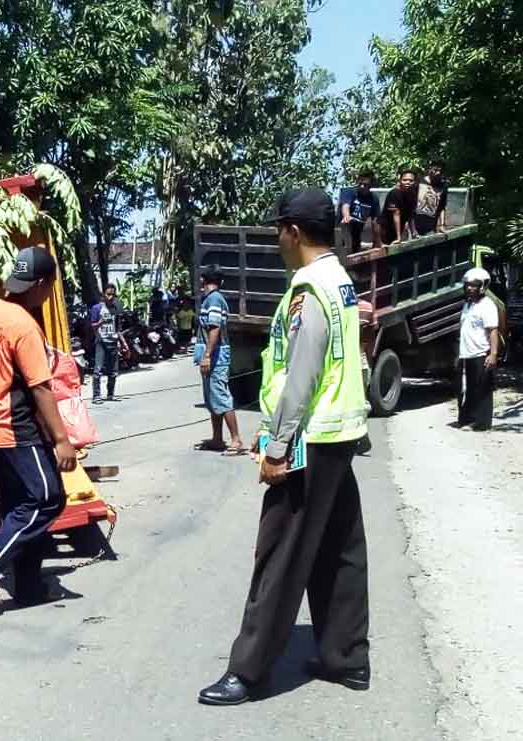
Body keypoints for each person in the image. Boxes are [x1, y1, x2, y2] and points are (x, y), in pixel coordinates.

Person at [199, 189, 371, 706]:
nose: (276, 238)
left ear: (294, 232)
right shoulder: (339, 281)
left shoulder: (308, 290)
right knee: (340, 549)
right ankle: (346, 657)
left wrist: (276, 443)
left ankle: (249, 671)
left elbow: (303, 373)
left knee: (280, 552)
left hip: (310, 438)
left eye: (278, 229)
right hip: (337, 436)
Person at [0, 246, 76, 606]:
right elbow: (40, 386)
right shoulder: (24, 326)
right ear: (42, 285)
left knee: (20, 508)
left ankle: (28, 588)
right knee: (47, 499)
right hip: (19, 427)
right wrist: (62, 440)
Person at [194, 266, 244, 454]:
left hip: (216, 358)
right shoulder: (211, 299)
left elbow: (214, 329)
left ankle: (236, 440)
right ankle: (217, 438)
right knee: (212, 399)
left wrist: (207, 355)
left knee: (221, 398)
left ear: (203, 281)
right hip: (211, 357)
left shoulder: (214, 299)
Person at [457, 267, 500, 431]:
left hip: (480, 353)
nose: (470, 288)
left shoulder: (487, 305)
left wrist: (493, 354)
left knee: (482, 389)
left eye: (474, 285)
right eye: (468, 285)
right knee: (467, 388)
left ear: (482, 286)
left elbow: (493, 331)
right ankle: (467, 419)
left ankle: (481, 423)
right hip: (466, 353)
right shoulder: (468, 305)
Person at [90, 284, 122, 404]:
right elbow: (92, 325)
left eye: (113, 295)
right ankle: (96, 396)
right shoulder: (97, 308)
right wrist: (101, 322)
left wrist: (122, 344)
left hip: (113, 342)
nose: (110, 297)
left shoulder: (116, 308)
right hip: (101, 342)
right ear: (103, 294)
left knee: (113, 371)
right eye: (108, 294)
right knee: (98, 370)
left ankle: (110, 394)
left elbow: (118, 328)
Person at [338, 170, 382, 251]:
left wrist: (378, 242)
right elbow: (345, 205)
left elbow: (375, 222)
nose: (362, 186)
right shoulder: (348, 192)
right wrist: (346, 216)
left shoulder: (373, 199)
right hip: (342, 233)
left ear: (371, 185)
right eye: (360, 183)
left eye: (365, 184)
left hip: (356, 236)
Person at [378, 168, 418, 245]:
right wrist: (398, 237)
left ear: (415, 182)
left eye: (411, 180)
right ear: (400, 180)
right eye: (405, 180)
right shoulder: (394, 193)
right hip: (385, 230)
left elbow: (411, 215)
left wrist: (414, 231)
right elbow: (396, 215)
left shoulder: (412, 194)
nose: (407, 182)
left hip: (398, 229)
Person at [413, 159, 449, 236]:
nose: (438, 173)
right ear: (429, 169)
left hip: (431, 227)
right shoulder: (418, 182)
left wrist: (441, 225)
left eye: (440, 171)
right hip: (414, 226)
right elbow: (409, 204)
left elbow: (442, 207)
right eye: (435, 170)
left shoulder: (443, 186)